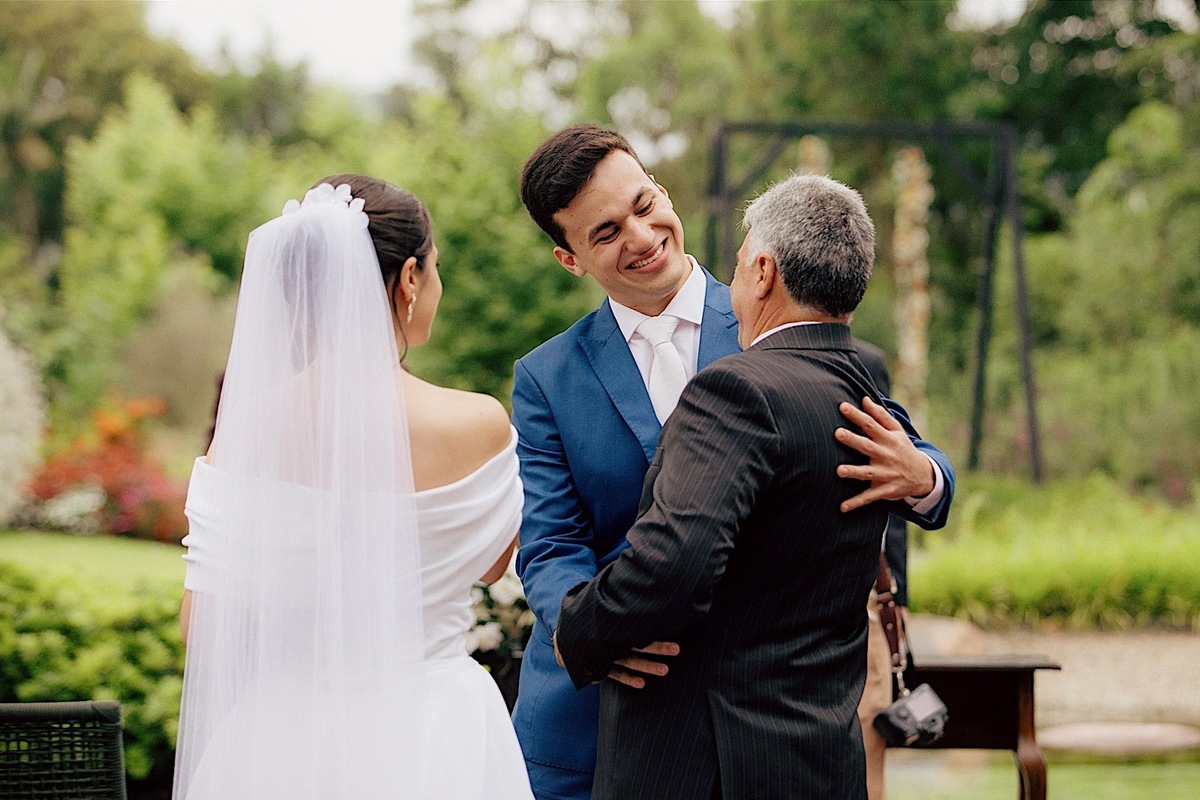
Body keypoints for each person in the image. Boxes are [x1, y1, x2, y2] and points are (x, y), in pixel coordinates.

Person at [510, 124, 954, 800]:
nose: (639, 235)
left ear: (661, 189)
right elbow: (549, 544)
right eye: (604, 233)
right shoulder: (546, 377)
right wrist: (592, 636)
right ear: (568, 258)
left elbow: (902, 444)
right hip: (592, 720)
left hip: (758, 729)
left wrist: (924, 476)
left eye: (641, 203)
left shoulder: (778, 315)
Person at [173, 177, 534, 799]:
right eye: (436, 268)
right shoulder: (475, 424)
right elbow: (493, 564)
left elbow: (199, 623)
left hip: (279, 737)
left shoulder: (241, 438)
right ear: (410, 280)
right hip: (433, 731)